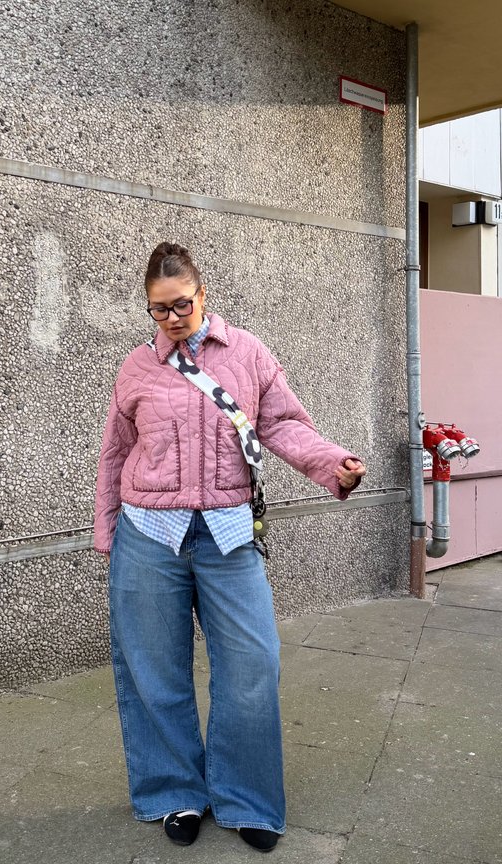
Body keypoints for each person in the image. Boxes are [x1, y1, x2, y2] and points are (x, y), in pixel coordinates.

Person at [94, 242, 366, 853]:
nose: (171, 319)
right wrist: (107, 530)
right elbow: (116, 452)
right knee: (154, 672)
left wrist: (331, 464)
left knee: (252, 666)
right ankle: (175, 794)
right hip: (149, 534)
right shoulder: (137, 368)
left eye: (181, 305)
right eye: (158, 310)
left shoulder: (246, 353)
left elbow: (283, 424)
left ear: (203, 293)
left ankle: (246, 800)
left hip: (227, 533)